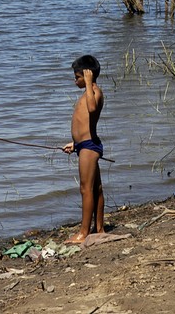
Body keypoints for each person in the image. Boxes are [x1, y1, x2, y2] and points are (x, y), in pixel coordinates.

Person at [62, 54, 105, 243]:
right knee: (96, 188)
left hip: (89, 147)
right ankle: (99, 228)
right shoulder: (88, 92)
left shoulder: (94, 92)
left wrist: (88, 83)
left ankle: (83, 233)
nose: (75, 80)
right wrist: (75, 143)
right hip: (84, 145)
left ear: (88, 75)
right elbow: (85, 123)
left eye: (78, 77)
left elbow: (92, 108)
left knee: (85, 189)